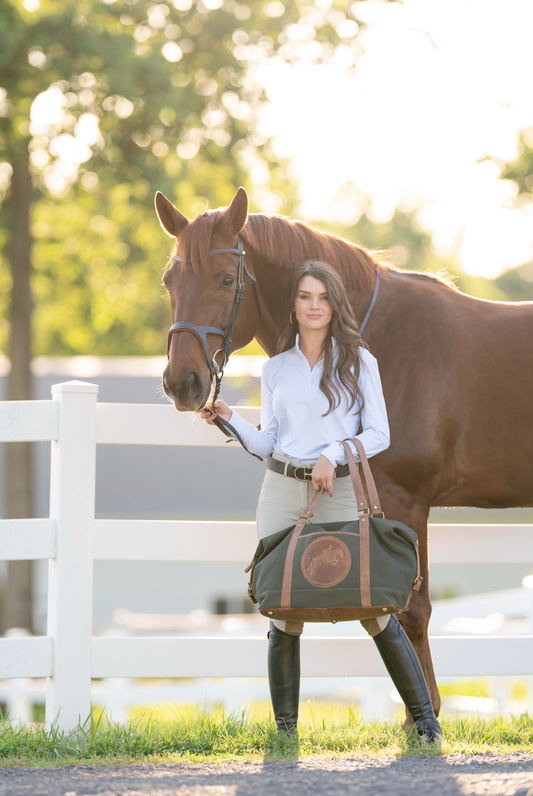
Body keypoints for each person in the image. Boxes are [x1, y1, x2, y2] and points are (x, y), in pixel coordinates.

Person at [198, 260, 442, 744]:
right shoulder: (275, 368)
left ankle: (427, 724)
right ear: (293, 303)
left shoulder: (358, 361)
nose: (313, 306)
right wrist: (230, 419)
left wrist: (333, 454)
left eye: (322, 297)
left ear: (335, 305)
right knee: (284, 608)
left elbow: (379, 434)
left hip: (340, 489)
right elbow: (269, 442)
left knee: (373, 607)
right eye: (305, 296)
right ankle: (285, 734)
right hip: (281, 492)